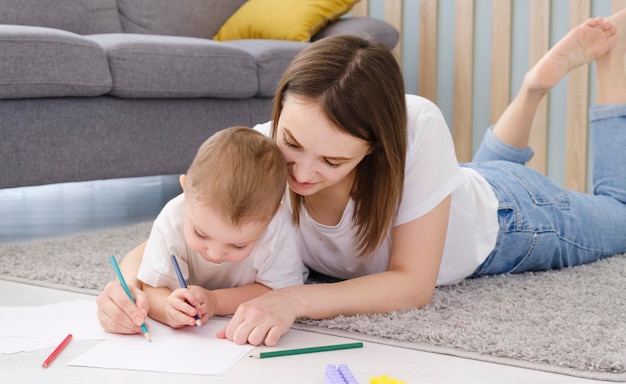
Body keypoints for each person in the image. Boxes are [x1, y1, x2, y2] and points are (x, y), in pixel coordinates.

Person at [97, 11, 626, 346]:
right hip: (460, 185)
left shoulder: (417, 124)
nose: (302, 175)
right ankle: (531, 90)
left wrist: (294, 301)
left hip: (513, 220)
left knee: (619, 213)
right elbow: (187, 223)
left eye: (332, 163)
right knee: (472, 173)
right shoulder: (259, 148)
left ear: (376, 149)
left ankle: (597, 67)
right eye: (293, 146)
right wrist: (122, 288)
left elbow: (413, 285)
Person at [107, 126, 307, 330]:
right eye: (201, 234)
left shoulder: (278, 229)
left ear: (272, 217)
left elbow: (279, 294)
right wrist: (167, 309)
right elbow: (152, 285)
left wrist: (215, 301)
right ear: (185, 191)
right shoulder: (173, 216)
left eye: (238, 245)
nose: (215, 253)